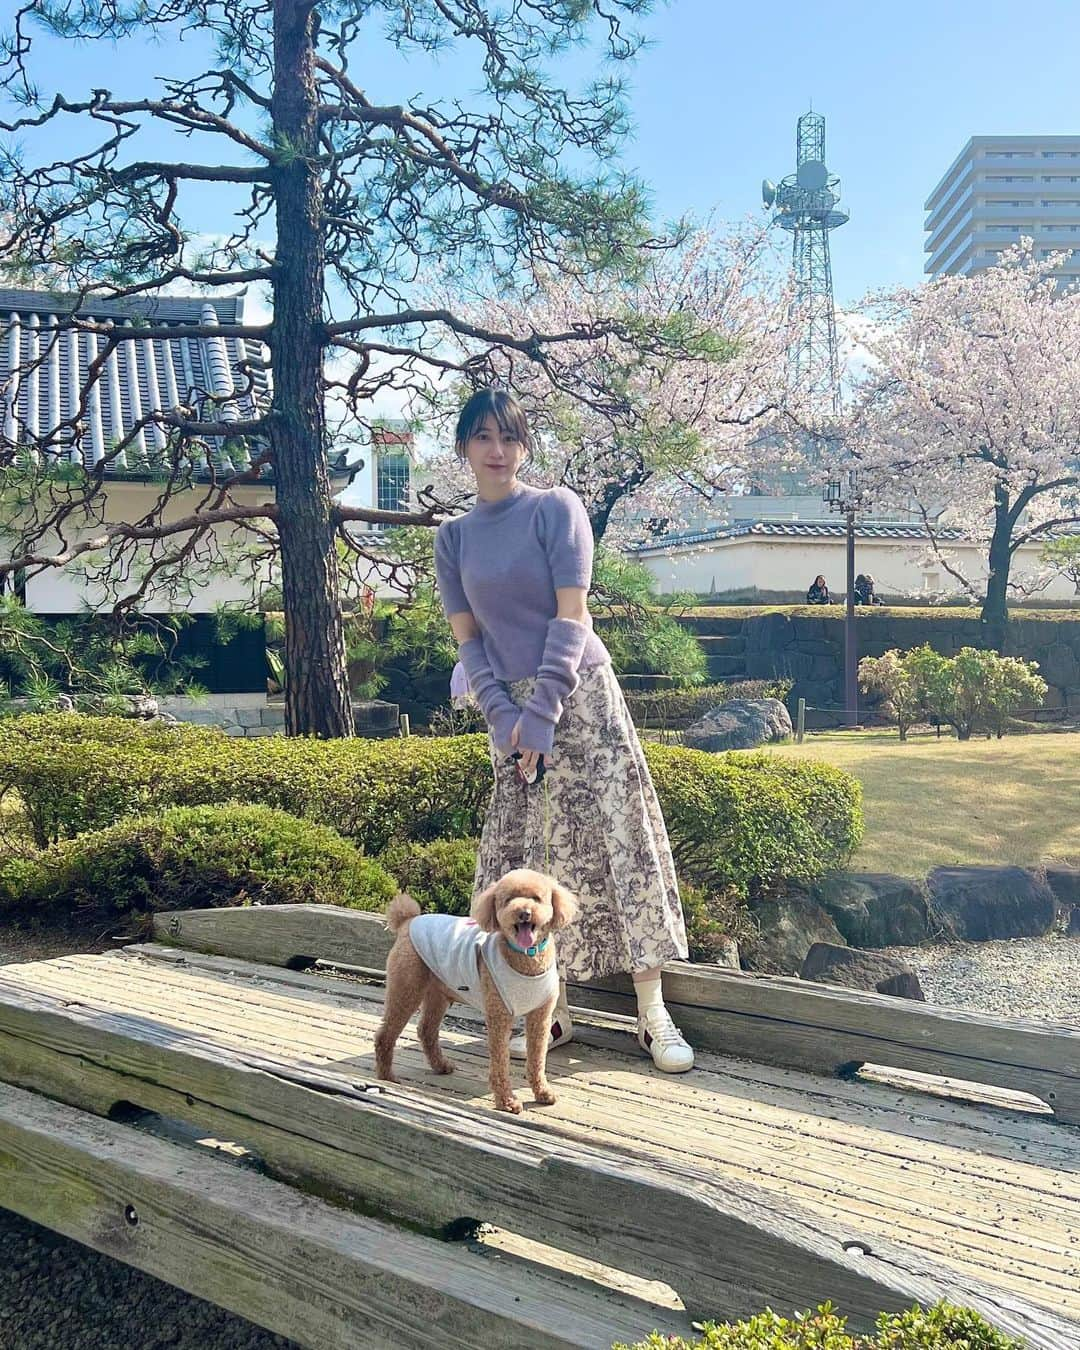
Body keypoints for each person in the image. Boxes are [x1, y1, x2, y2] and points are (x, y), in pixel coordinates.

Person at [434, 387, 694, 1073]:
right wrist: (504, 717)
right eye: (483, 437)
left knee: (620, 839)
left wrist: (541, 714)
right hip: (510, 714)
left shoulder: (556, 509)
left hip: (577, 695)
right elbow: (470, 641)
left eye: (510, 438)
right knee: (528, 853)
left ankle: (651, 1012)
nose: (497, 451)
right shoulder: (453, 538)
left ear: (524, 446)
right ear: (464, 446)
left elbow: (570, 618)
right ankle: (550, 1012)